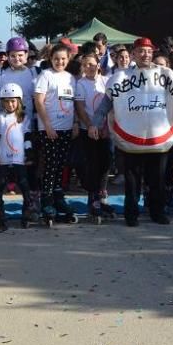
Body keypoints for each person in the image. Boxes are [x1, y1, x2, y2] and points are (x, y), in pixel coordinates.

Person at [91, 37, 173, 227]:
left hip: (159, 138)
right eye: (141, 51)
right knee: (132, 180)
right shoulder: (120, 78)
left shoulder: (167, 75)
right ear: (133, 54)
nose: (145, 55)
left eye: (149, 51)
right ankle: (131, 214)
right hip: (131, 138)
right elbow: (105, 104)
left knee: (157, 179)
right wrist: (96, 123)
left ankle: (157, 212)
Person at [34, 43, 78, 224]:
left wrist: (75, 123)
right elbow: (39, 101)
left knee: (61, 165)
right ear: (50, 59)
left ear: (68, 60)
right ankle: (47, 199)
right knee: (51, 165)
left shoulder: (70, 78)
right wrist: (47, 125)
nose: (60, 62)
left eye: (63, 59)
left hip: (66, 128)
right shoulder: (46, 75)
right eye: (56, 59)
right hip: (50, 129)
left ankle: (59, 197)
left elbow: (72, 102)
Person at [74, 52, 114, 222]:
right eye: (86, 65)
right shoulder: (80, 84)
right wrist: (91, 125)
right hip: (88, 129)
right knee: (93, 163)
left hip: (106, 129)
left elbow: (111, 104)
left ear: (99, 65)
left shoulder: (107, 81)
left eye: (92, 64)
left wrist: (105, 126)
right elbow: (80, 107)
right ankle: (93, 198)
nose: (89, 67)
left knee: (106, 161)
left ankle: (102, 193)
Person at [0, 83, 34, 230]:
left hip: (19, 159)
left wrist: (29, 155)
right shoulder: (0, 118)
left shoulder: (24, 118)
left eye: (13, 101)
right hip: (3, 160)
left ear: (19, 101)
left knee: (25, 188)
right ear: (2, 102)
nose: (10, 104)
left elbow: (27, 137)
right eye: (7, 101)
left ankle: (26, 215)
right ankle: (0, 216)